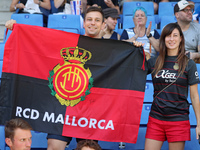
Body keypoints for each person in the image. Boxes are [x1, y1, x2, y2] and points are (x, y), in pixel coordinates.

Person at [5, 6, 104, 150]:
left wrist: (137, 47)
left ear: (103, 24)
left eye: (97, 20)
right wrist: (17, 28)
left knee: (88, 148)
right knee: (53, 147)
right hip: (62, 108)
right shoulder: (70, 41)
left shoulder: (112, 49)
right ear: (84, 23)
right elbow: (40, 39)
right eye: (89, 19)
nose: (92, 23)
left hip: (89, 111)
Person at [136, 23, 200, 150]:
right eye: (168, 36)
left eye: (175, 35)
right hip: (156, 118)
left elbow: (194, 95)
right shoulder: (155, 61)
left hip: (178, 120)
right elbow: (134, 70)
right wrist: (135, 49)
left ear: (181, 38)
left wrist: (199, 123)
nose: (171, 39)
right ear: (163, 39)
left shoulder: (189, 64)